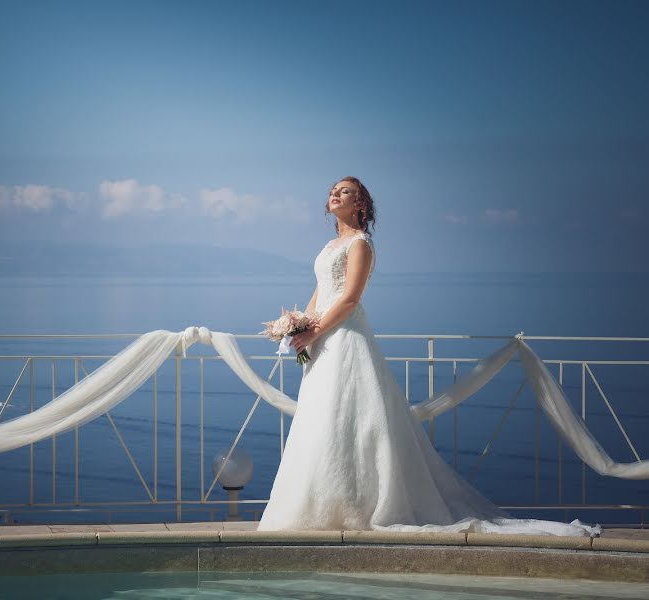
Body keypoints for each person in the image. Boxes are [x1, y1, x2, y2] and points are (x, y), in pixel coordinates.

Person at [256, 176, 600, 536]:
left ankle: (359, 505)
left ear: (361, 204)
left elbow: (350, 299)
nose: (335, 195)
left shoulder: (361, 244)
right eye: (332, 191)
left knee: (349, 417)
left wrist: (315, 329)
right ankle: (315, 505)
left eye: (345, 191)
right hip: (323, 340)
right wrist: (300, 326)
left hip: (345, 338)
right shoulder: (329, 246)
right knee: (321, 417)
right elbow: (321, 292)